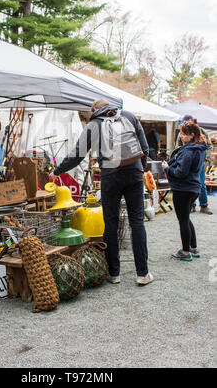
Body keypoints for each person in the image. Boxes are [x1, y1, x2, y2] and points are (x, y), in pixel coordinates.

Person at [50, 98, 153, 286]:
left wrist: (57, 171)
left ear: (96, 109)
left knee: (111, 223)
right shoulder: (129, 116)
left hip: (110, 176)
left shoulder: (94, 124)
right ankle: (142, 274)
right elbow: (145, 147)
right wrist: (140, 167)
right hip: (134, 173)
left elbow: (78, 154)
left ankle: (114, 274)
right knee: (137, 222)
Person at [162, 121, 207, 261]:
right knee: (186, 218)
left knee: (183, 220)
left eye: (183, 134)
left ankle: (186, 252)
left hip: (183, 189)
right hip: (193, 188)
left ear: (192, 135)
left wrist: (167, 168)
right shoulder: (200, 148)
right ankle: (193, 247)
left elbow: (181, 172)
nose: (181, 136)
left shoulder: (188, 151)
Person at [176, 115, 213, 214]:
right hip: (186, 162)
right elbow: (178, 147)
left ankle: (204, 205)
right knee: (189, 184)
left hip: (199, 162)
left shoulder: (201, 130)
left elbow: (209, 146)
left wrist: (205, 159)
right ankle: (191, 205)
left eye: (188, 122)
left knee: (201, 183)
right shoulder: (182, 132)